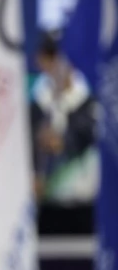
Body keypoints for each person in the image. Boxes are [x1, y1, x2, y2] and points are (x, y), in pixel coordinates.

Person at [30, 30, 98, 234]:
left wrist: (62, 142)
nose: (56, 64)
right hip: (46, 205)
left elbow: (84, 137)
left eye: (60, 56)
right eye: (50, 57)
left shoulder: (88, 102)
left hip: (84, 203)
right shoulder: (36, 104)